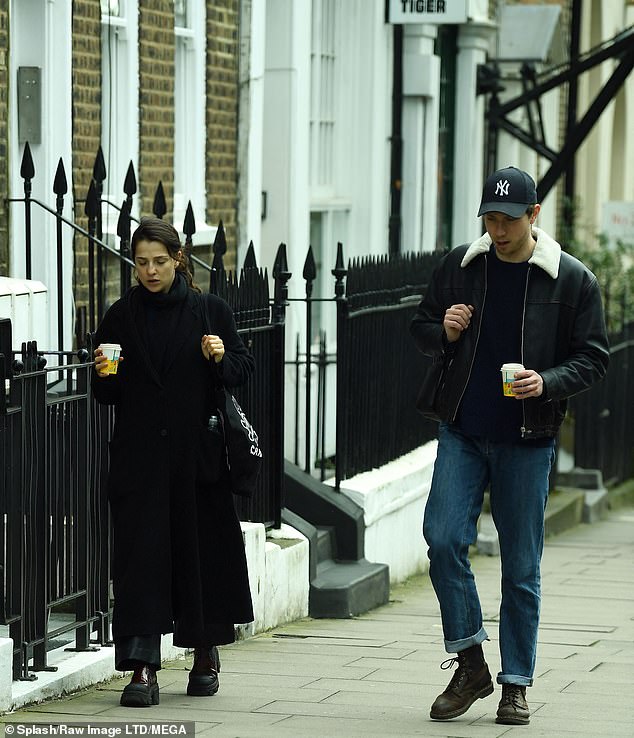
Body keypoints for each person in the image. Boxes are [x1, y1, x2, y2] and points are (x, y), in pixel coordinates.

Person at [410, 166, 609, 726]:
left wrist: (546, 381)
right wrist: (444, 330)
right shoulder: (461, 267)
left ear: (534, 216)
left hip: (528, 438)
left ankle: (515, 684)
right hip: (464, 429)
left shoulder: (571, 280)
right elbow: (421, 328)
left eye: (509, 221)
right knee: (443, 537)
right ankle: (471, 660)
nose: (498, 231)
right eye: (490, 220)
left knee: (521, 566)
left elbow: (595, 357)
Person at [92, 216, 255, 707]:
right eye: (141, 262)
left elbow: (241, 371)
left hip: (196, 458)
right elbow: (106, 394)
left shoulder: (209, 312)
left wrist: (220, 356)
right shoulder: (121, 316)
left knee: (197, 554)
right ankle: (141, 666)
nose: (150, 271)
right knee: (141, 562)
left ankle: (204, 651)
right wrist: (102, 370)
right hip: (140, 461)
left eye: (159, 261)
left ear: (178, 259)